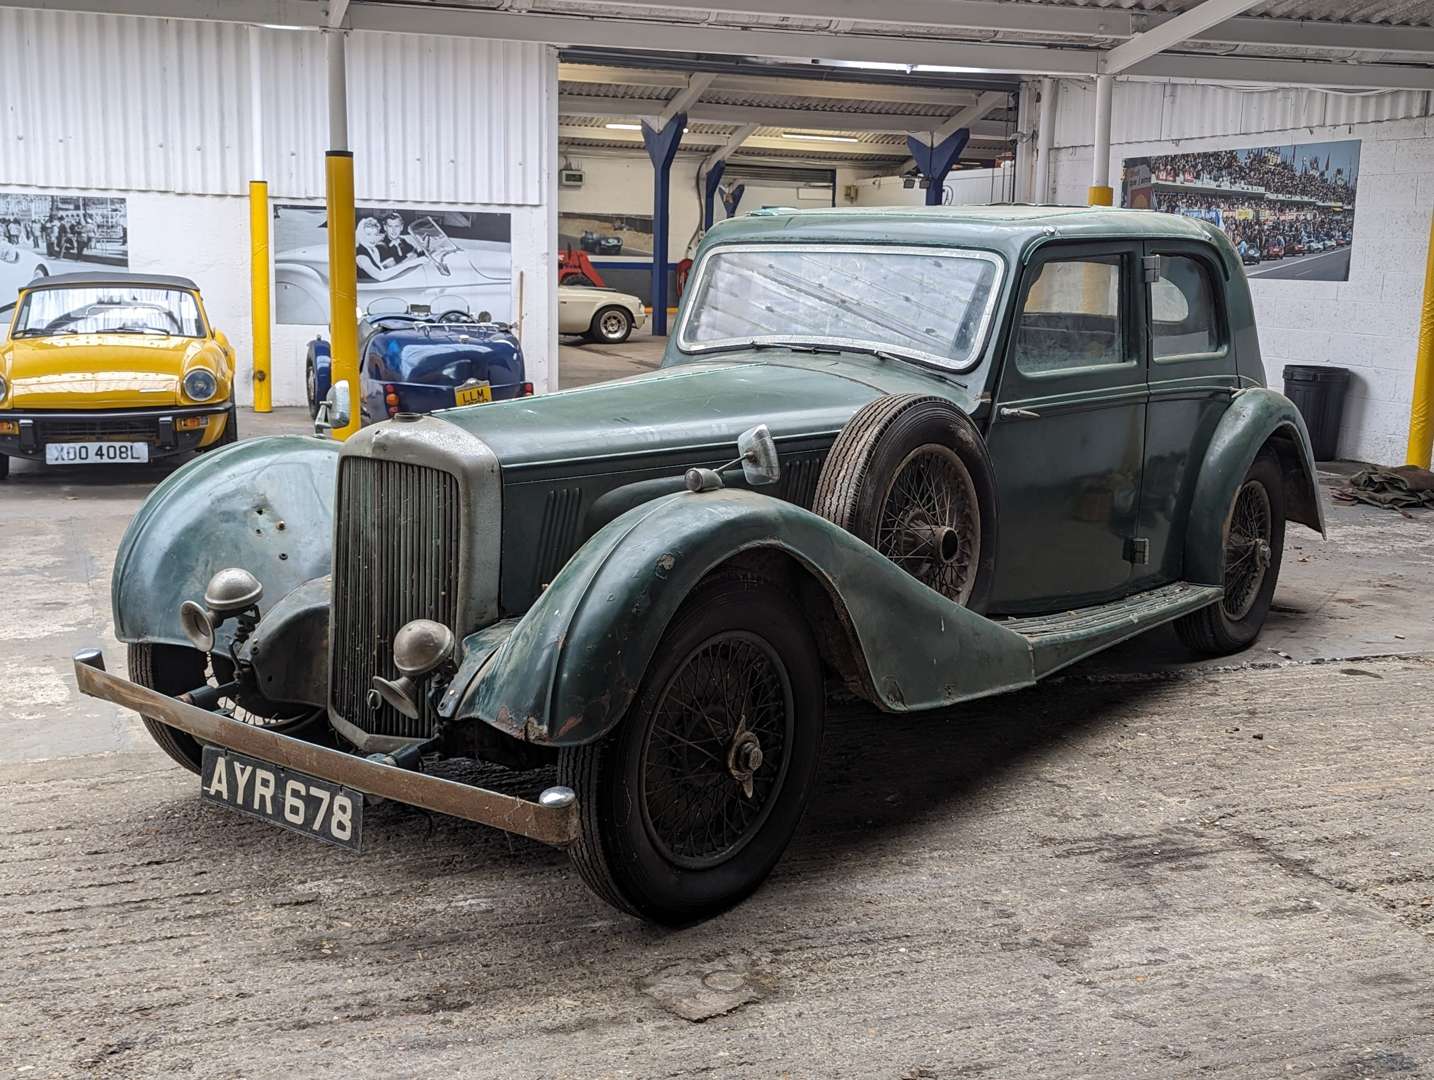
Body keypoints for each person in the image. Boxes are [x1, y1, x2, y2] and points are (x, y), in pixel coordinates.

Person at [355, 216, 423, 283]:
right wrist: (411, 263)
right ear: (361, 234)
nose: (372, 238)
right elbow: (380, 276)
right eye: (368, 234)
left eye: (375, 234)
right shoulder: (361, 256)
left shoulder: (372, 249)